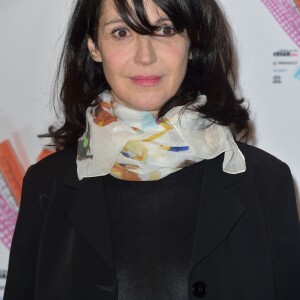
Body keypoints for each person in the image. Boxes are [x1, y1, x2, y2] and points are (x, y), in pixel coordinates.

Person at [4, 0, 300, 299]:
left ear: (193, 42)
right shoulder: (47, 186)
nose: (145, 56)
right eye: (121, 33)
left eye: (165, 30)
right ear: (94, 46)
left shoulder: (266, 182)